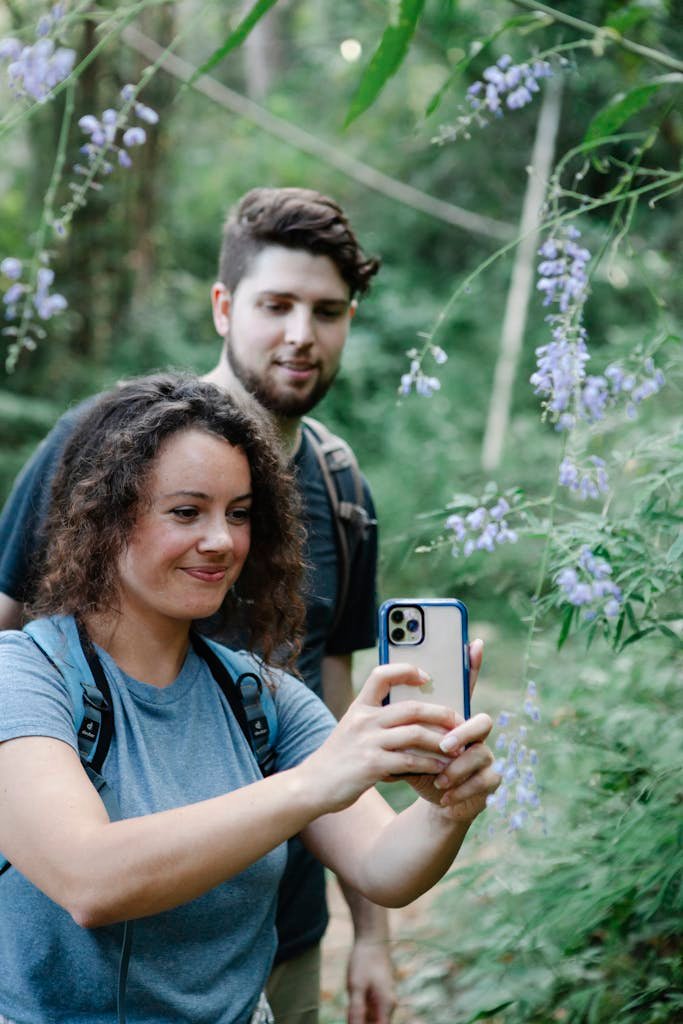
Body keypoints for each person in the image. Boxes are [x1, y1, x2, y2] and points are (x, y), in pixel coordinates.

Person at [0, 373, 499, 1024]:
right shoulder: (25, 674)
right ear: (107, 517)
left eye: (238, 514)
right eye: (187, 512)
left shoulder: (260, 698)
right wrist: (312, 784)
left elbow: (384, 865)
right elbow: (89, 880)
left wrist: (446, 811)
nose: (222, 541)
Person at [1, 187, 381, 1021]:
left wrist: (375, 934)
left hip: (273, 929)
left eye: (326, 311)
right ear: (223, 305)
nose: (299, 334)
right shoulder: (98, 448)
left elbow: (333, 702)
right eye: (275, 304)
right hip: (73, 941)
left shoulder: (340, 487)